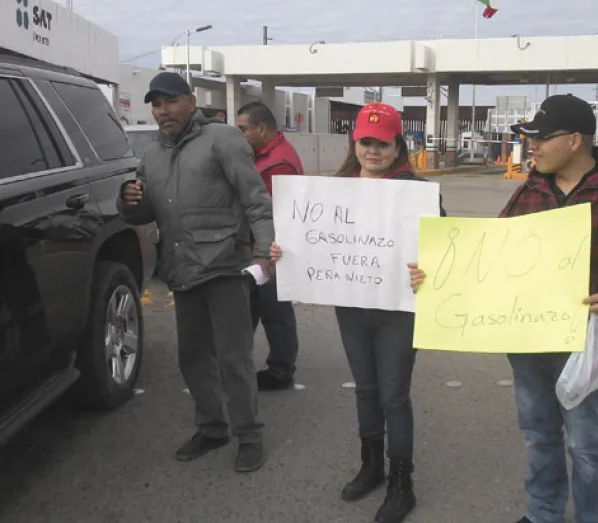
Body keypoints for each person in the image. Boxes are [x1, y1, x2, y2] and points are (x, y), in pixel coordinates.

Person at [409, 94, 598, 523]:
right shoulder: (528, 192)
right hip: (529, 341)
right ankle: (543, 512)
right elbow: (486, 260)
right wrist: (436, 277)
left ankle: (592, 517)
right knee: (538, 434)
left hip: (589, 342)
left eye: (540, 138)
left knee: (587, 444)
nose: (531, 147)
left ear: (574, 141)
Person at [270, 103, 445, 523]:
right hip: (351, 304)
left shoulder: (418, 192)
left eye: (382, 143)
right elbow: (310, 238)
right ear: (355, 142)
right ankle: (372, 466)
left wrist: (430, 269)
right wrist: (285, 251)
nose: (373, 150)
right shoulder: (334, 191)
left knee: (394, 395)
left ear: (397, 145)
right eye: (366, 141)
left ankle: (403, 484)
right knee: (365, 389)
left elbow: (444, 249)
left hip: (398, 310)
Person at [117, 71, 275, 473]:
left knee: (233, 359)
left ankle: (250, 435)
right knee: (192, 358)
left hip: (226, 267)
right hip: (181, 268)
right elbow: (145, 212)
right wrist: (129, 201)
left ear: (191, 100)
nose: (162, 111)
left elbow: (256, 201)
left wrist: (263, 255)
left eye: (170, 101)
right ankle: (213, 427)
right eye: (156, 104)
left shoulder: (222, 139)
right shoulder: (152, 154)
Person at [236, 100, 304, 390]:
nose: (238, 136)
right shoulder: (270, 155)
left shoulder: (278, 164)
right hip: (265, 249)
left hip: (271, 250)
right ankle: (241, 364)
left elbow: (270, 212)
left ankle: (280, 370)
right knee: (259, 308)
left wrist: (265, 254)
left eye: (242, 130)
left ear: (261, 129)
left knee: (274, 311)